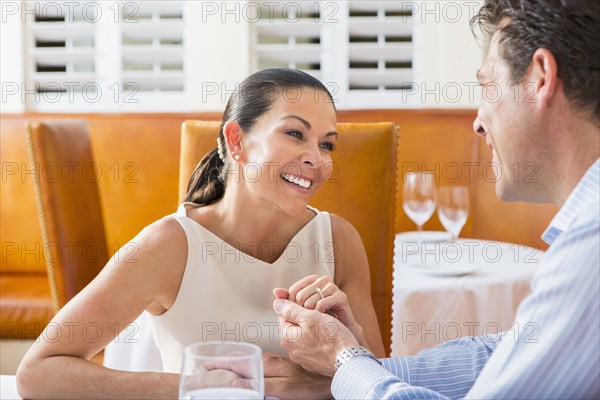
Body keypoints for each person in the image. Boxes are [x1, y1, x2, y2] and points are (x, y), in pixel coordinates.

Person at [272, 0, 600, 398]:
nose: (477, 122)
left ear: (540, 78)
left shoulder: (591, 242)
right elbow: (509, 354)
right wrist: (355, 362)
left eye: (487, 87)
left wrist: (343, 358)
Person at [16, 68, 384, 399]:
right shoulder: (168, 246)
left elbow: (380, 385)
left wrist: (337, 368)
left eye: (326, 144)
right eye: (294, 133)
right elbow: (38, 372)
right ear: (237, 141)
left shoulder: (338, 240)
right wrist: (217, 384)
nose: (316, 160)